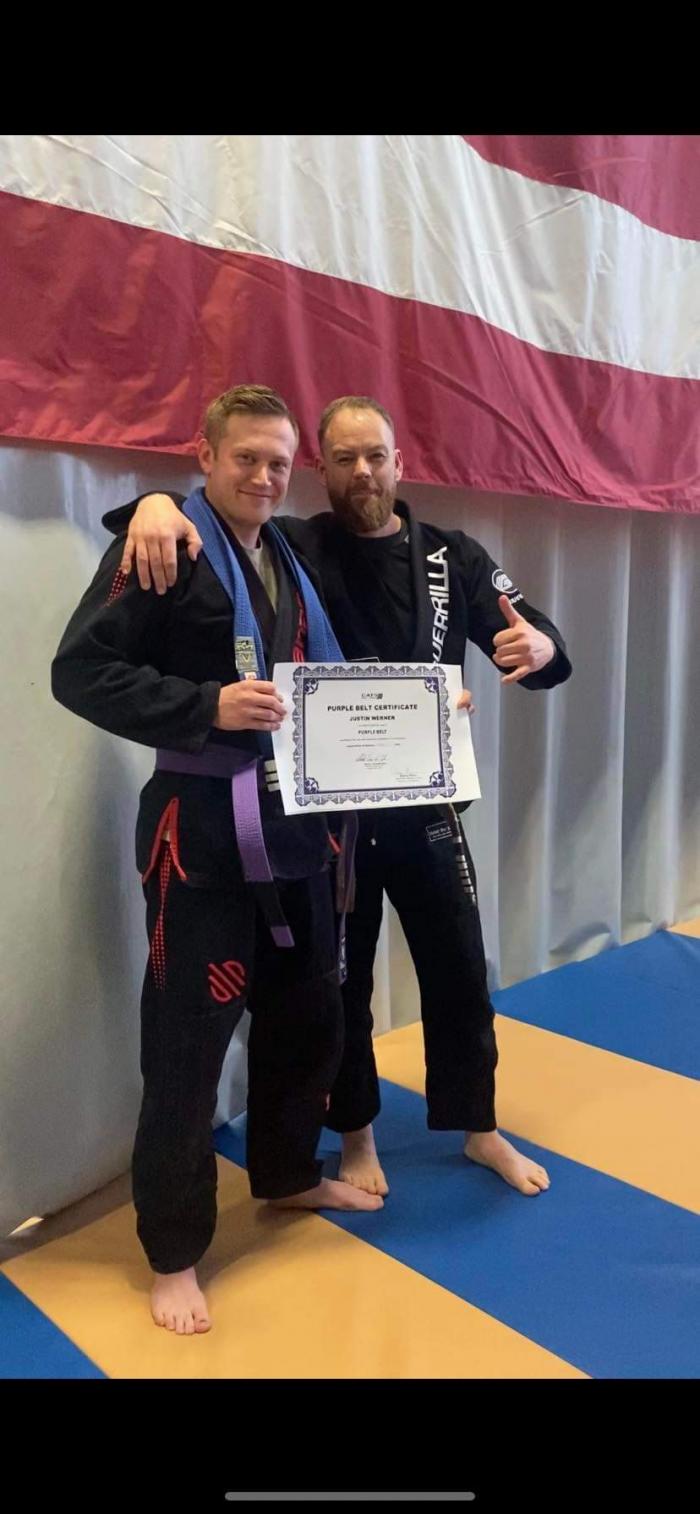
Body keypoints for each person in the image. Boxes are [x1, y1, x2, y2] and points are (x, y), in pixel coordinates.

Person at [106, 395, 572, 1203]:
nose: (363, 472)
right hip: (333, 822)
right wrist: (150, 503)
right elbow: (211, 518)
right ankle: (356, 1131)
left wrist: (542, 645)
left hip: (428, 810)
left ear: (399, 463)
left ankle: (479, 1126)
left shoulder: (452, 556)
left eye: (376, 455)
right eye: (346, 458)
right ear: (321, 469)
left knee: (461, 971)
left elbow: (539, 641)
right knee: (340, 988)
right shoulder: (296, 544)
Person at [51, 385, 386, 1339]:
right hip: (197, 834)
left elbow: (331, 682)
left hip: (299, 828)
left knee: (308, 1015)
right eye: (246, 459)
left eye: (279, 462)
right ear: (204, 456)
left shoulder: (289, 552)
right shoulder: (164, 546)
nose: (265, 477)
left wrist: (422, 721)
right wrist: (205, 706)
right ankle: (174, 1251)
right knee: (189, 1045)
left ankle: (286, 1175)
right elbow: (79, 671)